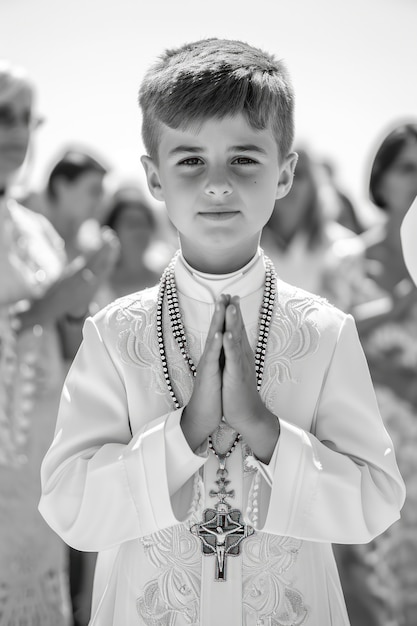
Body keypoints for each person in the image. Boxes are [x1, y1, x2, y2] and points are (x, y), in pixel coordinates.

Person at [39, 39, 405, 626]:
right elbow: (69, 505)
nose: (216, 184)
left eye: (243, 159)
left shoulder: (326, 333)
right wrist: (184, 433)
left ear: (284, 173)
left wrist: (265, 432)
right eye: (189, 160)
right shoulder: (113, 335)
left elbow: (375, 500)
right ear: (154, 178)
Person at [0, 60, 119, 625]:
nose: (18, 133)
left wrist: (81, 300)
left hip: (39, 456)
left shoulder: (33, 230)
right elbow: (33, 313)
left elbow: (64, 334)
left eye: (27, 118)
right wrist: (52, 300)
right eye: (4, 115)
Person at [335, 122, 417, 626]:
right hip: (372, 458)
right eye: (409, 169)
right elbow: (323, 353)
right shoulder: (346, 260)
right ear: (381, 179)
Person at [261, 146, 366, 312]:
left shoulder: (345, 246)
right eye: (280, 173)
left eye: (298, 174)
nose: (289, 184)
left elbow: (356, 323)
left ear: (314, 185)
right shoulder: (243, 249)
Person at [92, 185, 162, 309]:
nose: (139, 231)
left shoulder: (167, 280)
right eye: (131, 224)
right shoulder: (97, 286)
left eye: (143, 223)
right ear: (114, 230)